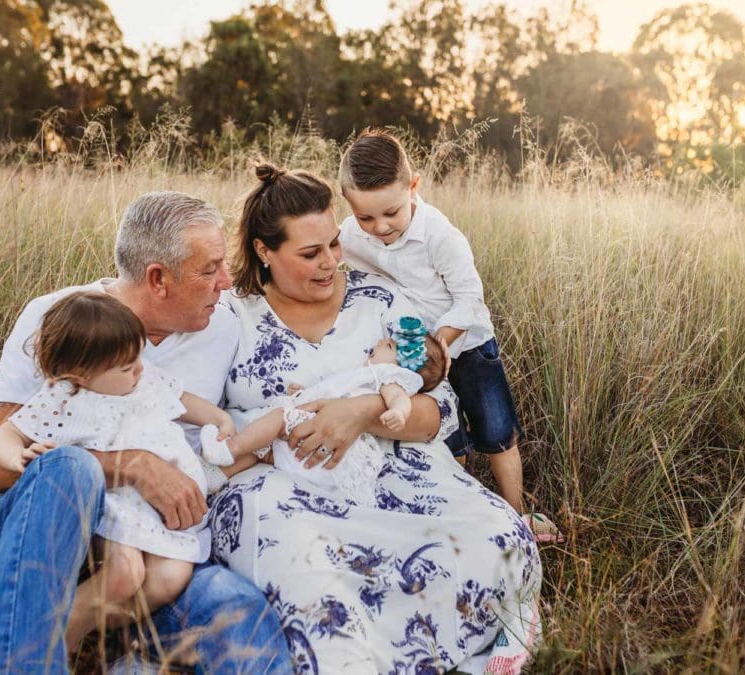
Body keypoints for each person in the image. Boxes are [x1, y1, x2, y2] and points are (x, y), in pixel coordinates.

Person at [208, 162, 542, 673]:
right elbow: (205, 421)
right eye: (310, 253)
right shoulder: (232, 316)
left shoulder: (379, 298)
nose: (330, 263)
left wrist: (363, 411)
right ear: (263, 251)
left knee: (501, 541)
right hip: (282, 482)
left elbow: (440, 409)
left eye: (335, 246)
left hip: (402, 468)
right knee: (312, 581)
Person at [0, 192, 291, 674]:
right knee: (70, 467)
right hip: (39, 546)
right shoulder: (61, 319)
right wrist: (131, 466)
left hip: (155, 554)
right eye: (210, 269)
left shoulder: (223, 324)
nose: (226, 281)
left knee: (240, 614)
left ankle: (90, 648)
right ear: (158, 278)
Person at [338, 129, 562, 542]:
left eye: (390, 213)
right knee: (446, 436)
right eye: (365, 217)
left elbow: (469, 298)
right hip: (412, 354)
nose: (379, 227)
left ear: (413, 188)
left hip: (467, 345)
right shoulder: (350, 237)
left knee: (495, 430)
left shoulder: (439, 235)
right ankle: (459, 512)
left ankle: (516, 514)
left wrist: (442, 339)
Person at [0, 291, 238, 652]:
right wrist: (19, 458)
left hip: (158, 511)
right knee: (125, 574)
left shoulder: (141, 376)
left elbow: (181, 398)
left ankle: (88, 635)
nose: (139, 369)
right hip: (113, 505)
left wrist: (218, 417)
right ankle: (50, 640)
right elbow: (5, 435)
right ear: (81, 375)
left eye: (138, 358)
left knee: (170, 577)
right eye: (126, 367)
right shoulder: (64, 398)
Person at [199, 325, 445, 506]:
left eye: (389, 346)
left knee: (278, 418)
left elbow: (398, 398)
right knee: (262, 449)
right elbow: (334, 393)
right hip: (321, 441)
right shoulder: (367, 375)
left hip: (333, 438)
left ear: (405, 368)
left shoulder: (388, 376)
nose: (380, 343)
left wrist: (399, 413)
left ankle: (230, 449)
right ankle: (215, 476)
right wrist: (305, 394)